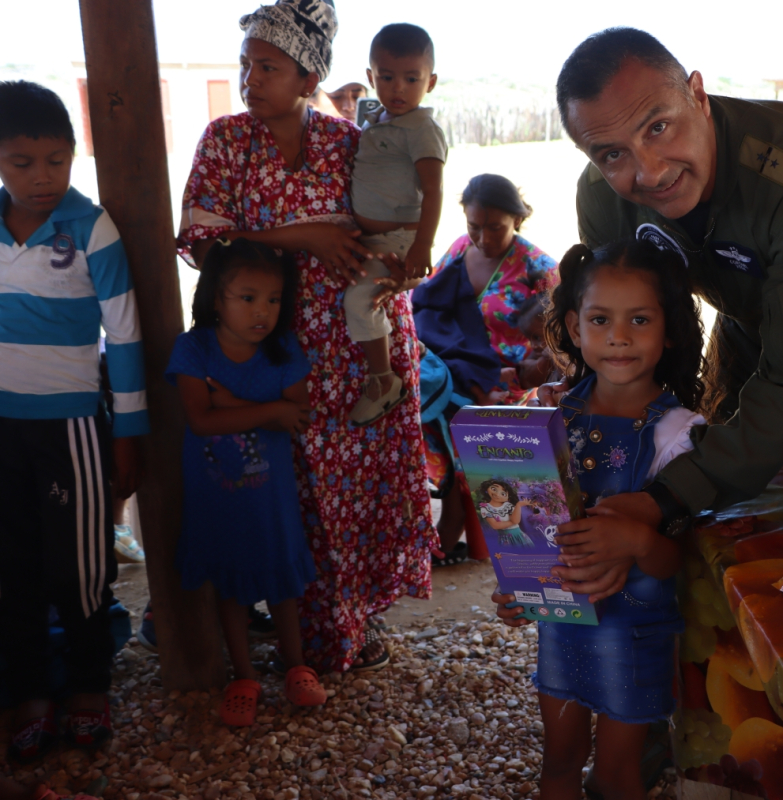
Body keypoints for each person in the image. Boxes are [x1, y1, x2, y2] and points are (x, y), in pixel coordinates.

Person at [555, 28, 783, 602]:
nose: (648, 172)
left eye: (658, 127)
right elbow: (625, 345)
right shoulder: (605, 200)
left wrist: (666, 496)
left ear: (697, 96)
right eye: (612, 154)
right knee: (718, 510)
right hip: (744, 318)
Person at [177, 0, 437, 673]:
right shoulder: (226, 142)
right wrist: (303, 238)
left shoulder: (350, 141)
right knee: (284, 490)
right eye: (245, 65)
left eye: (267, 66)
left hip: (363, 350)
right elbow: (202, 243)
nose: (249, 78)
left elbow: (400, 212)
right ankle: (300, 631)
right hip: (272, 355)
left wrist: (403, 260)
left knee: (354, 488)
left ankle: (345, 629)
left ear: (306, 75)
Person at [493, 239, 703, 800]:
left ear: (670, 328)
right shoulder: (547, 415)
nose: (619, 336)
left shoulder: (680, 433)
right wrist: (519, 588)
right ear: (573, 325)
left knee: (615, 777)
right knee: (558, 763)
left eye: (640, 319)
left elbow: (678, 561)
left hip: (636, 634)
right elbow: (525, 528)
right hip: (560, 626)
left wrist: (636, 537)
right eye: (601, 319)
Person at [0, 80, 148, 762]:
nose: (42, 177)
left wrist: (129, 433)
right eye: (23, 161)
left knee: (82, 567)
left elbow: (124, 338)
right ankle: (29, 691)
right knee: (14, 565)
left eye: (56, 160)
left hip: (72, 432)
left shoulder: (92, 228)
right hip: (4, 429)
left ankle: (89, 687)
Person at [165, 238, 327, 726]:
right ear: (217, 297)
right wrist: (269, 411)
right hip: (216, 501)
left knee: (282, 582)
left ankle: (296, 666)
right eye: (248, 297)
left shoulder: (284, 350)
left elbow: (296, 416)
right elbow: (200, 421)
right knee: (231, 589)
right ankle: (244, 674)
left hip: (272, 501)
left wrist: (232, 404)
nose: (263, 311)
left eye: (274, 299)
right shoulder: (192, 348)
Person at [414, 175, 558, 564]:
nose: (482, 238)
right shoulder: (460, 250)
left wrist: (522, 375)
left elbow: (560, 345)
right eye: (473, 227)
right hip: (454, 383)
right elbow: (427, 304)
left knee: (501, 483)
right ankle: (450, 536)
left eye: (495, 227)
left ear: (517, 218)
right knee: (451, 468)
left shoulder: (539, 268)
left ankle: (527, 562)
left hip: (508, 392)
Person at [347, 23, 446, 426]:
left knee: (360, 301)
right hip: (372, 239)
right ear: (371, 78)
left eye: (411, 78)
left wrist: (424, 245)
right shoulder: (375, 121)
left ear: (431, 82)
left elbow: (434, 190)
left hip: (401, 241)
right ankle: (397, 357)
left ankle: (383, 379)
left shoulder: (422, 129)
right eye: (386, 78)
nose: (398, 88)